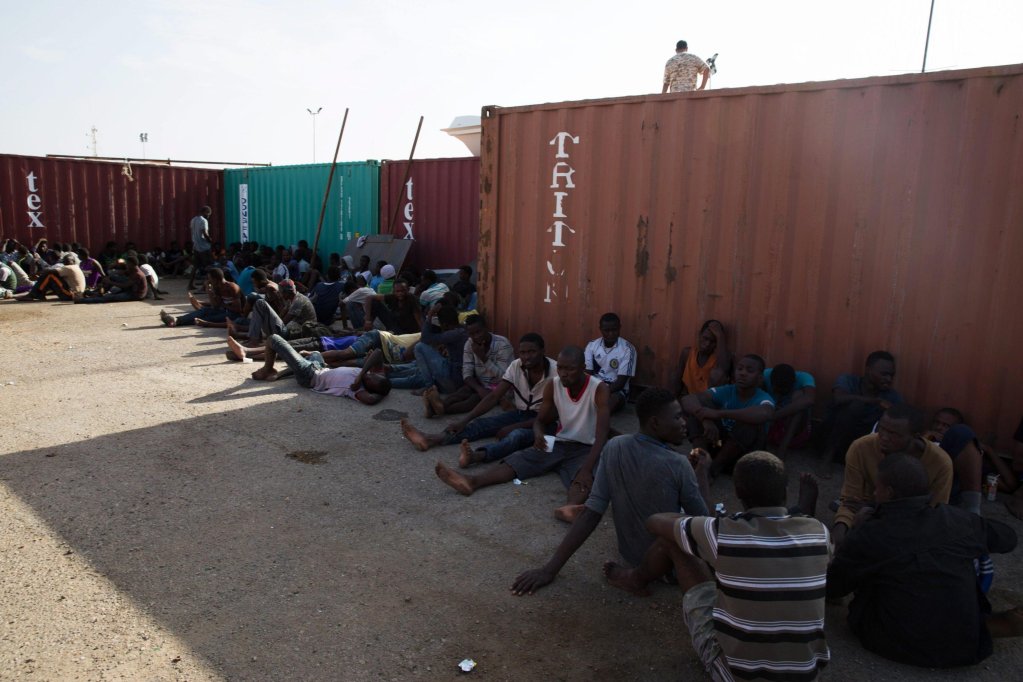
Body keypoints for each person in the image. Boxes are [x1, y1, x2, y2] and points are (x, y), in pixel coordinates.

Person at [643, 451, 831, 681]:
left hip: (737, 675)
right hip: (807, 675)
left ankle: (635, 578)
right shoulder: (819, 533)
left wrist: (688, 522)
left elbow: (654, 521)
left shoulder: (724, 533)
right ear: (785, 491)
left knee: (676, 543)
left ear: (737, 492)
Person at [827, 454, 1023, 668]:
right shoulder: (955, 519)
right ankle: (976, 622)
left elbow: (835, 586)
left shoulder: (872, 533)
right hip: (966, 648)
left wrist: (858, 529)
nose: (874, 493)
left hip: (892, 641)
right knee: (958, 563)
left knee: (871, 575)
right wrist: (971, 531)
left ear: (889, 492)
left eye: (877, 489)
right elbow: (1008, 538)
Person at [510, 388, 710, 596]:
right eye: (677, 417)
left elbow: (591, 512)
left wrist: (549, 570)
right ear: (655, 423)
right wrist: (702, 474)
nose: (684, 423)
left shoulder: (615, 446)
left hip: (630, 556)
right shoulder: (678, 464)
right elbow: (706, 526)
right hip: (671, 567)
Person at [435, 346, 610, 512]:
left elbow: (602, 434)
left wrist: (587, 468)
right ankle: (472, 481)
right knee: (520, 458)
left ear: (583, 367)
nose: (563, 374)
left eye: (570, 369)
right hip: (560, 442)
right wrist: (539, 434)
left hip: (587, 447)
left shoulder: (599, 388)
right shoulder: (554, 385)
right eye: (561, 368)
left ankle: (570, 508)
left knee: (583, 477)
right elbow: (539, 420)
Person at [401, 332, 552, 460]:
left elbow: (552, 416)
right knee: (481, 424)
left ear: (543, 351)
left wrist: (513, 427)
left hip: (545, 421)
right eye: (523, 353)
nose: (527, 357)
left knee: (515, 436)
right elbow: (493, 397)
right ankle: (432, 439)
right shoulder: (517, 366)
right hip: (521, 414)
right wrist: (464, 420)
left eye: (532, 352)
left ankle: (477, 456)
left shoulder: (556, 373)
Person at [832, 404, 953, 549]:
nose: (883, 437)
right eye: (881, 428)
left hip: (911, 525)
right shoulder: (861, 448)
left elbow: (934, 516)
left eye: (893, 434)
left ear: (915, 436)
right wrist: (840, 527)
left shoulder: (941, 463)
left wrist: (875, 511)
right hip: (867, 515)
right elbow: (850, 500)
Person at [682, 354, 775, 477]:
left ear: (760, 378)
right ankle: (699, 459)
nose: (742, 373)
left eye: (749, 370)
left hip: (744, 456)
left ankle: (713, 469)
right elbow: (688, 399)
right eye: (739, 369)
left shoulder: (763, 398)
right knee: (697, 412)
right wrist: (705, 419)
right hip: (720, 445)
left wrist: (718, 414)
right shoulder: (728, 390)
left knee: (750, 424)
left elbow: (765, 413)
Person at [248, 335, 390, 404]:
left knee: (274, 339)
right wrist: (362, 375)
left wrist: (382, 394)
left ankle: (268, 369)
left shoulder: (357, 390)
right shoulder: (366, 376)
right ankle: (283, 372)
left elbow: (371, 400)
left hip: (309, 376)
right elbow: (377, 352)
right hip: (320, 367)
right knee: (315, 354)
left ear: (371, 388)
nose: (370, 375)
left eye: (371, 380)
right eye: (374, 375)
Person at [820, 350, 902, 464]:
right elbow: (838, 399)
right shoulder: (848, 380)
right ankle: (827, 458)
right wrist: (874, 401)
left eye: (891, 375)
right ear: (868, 370)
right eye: (884, 374)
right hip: (831, 438)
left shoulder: (891, 396)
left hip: (861, 444)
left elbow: (904, 417)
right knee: (855, 406)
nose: (889, 379)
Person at [424, 314, 513, 416]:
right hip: (482, 384)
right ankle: (436, 406)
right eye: (472, 334)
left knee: (473, 400)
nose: (476, 336)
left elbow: (504, 376)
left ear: (486, 328)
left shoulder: (502, 344)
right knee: (462, 392)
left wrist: (483, 358)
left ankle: (438, 409)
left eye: (479, 332)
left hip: (502, 387)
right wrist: (478, 389)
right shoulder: (469, 344)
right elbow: (466, 373)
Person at [584, 312, 637, 414]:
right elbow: (587, 374)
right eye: (607, 330)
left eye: (614, 330)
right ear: (600, 329)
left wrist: (600, 394)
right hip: (594, 387)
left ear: (620, 328)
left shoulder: (628, 349)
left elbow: (620, 383)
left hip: (616, 391)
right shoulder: (592, 346)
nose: (611, 334)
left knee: (610, 403)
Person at [762, 363, 816, 457]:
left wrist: (775, 415)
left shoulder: (805, 377)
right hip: (769, 428)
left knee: (799, 397)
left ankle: (783, 448)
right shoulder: (765, 375)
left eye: (784, 389)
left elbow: (809, 400)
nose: (779, 391)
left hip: (793, 434)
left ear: (793, 383)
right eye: (776, 388)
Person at [160, 268, 243, 327]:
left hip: (234, 315)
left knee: (208, 318)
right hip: (224, 310)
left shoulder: (232, 287)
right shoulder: (217, 287)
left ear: (216, 279)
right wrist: (210, 292)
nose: (208, 281)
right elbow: (215, 306)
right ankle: (176, 320)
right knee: (204, 311)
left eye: (210, 279)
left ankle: (176, 322)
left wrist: (222, 305)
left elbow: (238, 309)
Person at [672, 320, 732, 399]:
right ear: (700, 335)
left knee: (717, 374)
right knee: (673, 375)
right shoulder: (687, 353)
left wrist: (720, 335)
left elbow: (725, 368)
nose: (707, 344)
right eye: (705, 338)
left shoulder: (719, 360)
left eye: (713, 341)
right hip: (689, 399)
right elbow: (677, 380)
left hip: (708, 402)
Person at [16, 252, 85, 301]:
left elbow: (49, 271)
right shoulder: (76, 266)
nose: (66, 262)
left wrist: (37, 274)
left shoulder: (69, 267)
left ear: (73, 261)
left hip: (71, 295)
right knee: (51, 276)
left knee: (50, 275)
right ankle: (38, 294)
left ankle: (34, 294)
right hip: (76, 293)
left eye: (68, 261)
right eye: (65, 261)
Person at [75, 256, 147, 303]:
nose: (126, 265)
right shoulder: (132, 269)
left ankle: (82, 300)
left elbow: (125, 285)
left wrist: (110, 282)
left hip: (135, 295)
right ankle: (100, 292)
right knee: (112, 277)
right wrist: (108, 277)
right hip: (130, 289)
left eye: (128, 264)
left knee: (108, 297)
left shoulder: (138, 274)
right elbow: (117, 273)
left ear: (131, 264)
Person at [188, 205, 214, 290]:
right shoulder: (204, 221)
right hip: (204, 247)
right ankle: (205, 286)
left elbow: (193, 231)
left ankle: (190, 284)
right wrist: (210, 241)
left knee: (195, 266)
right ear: (205, 212)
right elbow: (205, 233)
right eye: (208, 214)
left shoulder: (193, 220)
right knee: (208, 266)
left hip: (196, 246)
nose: (208, 216)